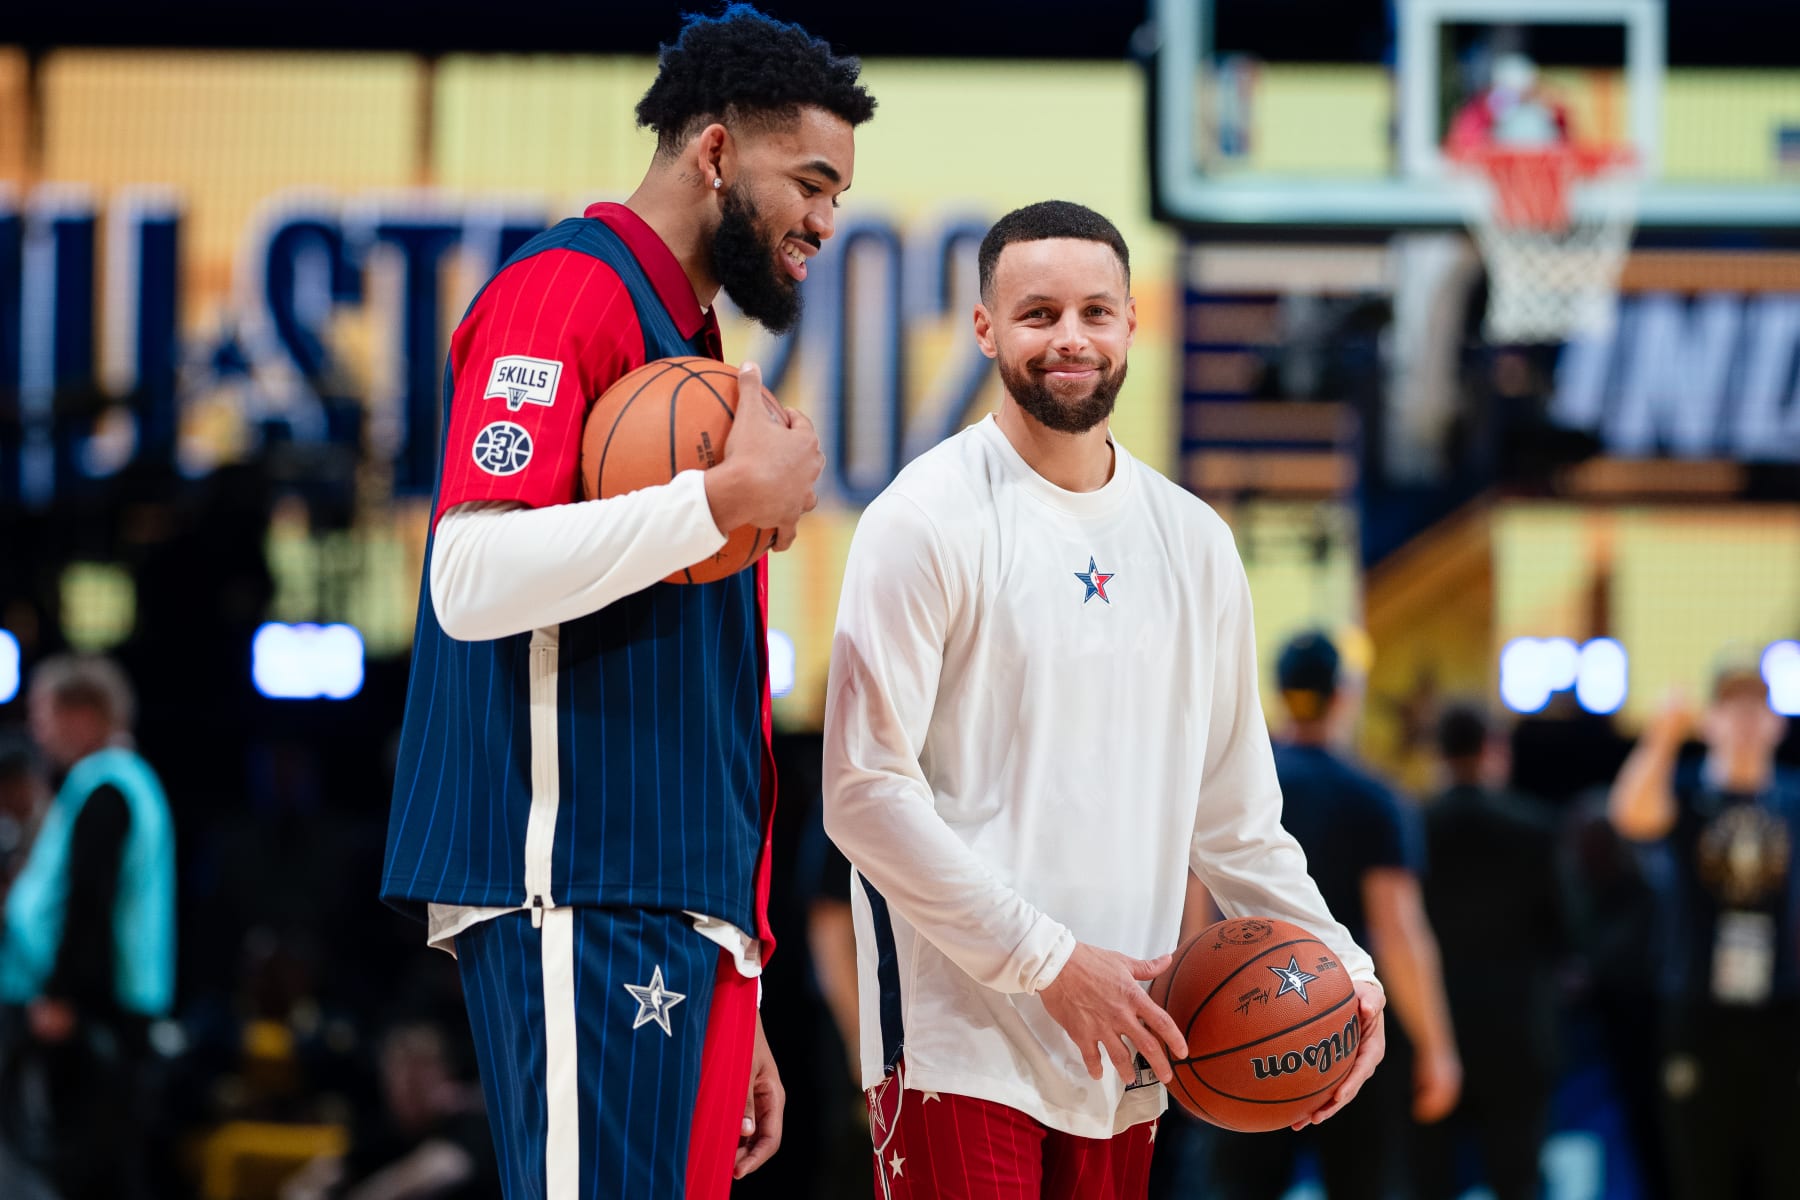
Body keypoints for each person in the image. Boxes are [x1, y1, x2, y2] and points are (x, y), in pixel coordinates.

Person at [378, 7, 873, 1198]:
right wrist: (718, 499)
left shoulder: (688, 341)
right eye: (808, 182)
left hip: (670, 911)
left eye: (837, 197)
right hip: (580, 885)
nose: (822, 222)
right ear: (712, 154)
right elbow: (469, 574)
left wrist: (732, 964)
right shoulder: (567, 290)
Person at [822, 201, 1388, 1200]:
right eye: (1038, 313)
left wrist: (1348, 974)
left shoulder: (1195, 541)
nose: (1070, 336)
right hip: (961, 1046)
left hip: (1128, 1050)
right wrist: (1050, 960)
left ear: (1133, 323)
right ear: (987, 329)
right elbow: (864, 794)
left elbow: (1239, 825)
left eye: (1095, 310)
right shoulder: (923, 519)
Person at [1210, 630, 1460, 1200]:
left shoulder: (1240, 788)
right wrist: (1437, 1047)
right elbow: (1398, 934)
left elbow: (1200, 909)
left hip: (1235, 1021)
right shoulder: (1373, 797)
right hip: (1342, 1029)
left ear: (1278, 694)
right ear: (1343, 696)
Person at [1608, 650, 1799, 1200]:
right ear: (1710, 720)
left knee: (1784, 1169)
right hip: (1698, 1009)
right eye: (1730, 707)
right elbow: (1629, 815)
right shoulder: (1688, 792)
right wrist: (1664, 735)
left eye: (1755, 707)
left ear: (1776, 721)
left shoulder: (1791, 797)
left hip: (1782, 1011)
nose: (1743, 720)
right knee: (1699, 1168)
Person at [0, 654, 175, 1200]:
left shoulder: (108, 788)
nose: (38, 731)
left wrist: (62, 997)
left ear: (83, 714)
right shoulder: (113, 783)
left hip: (92, 1012)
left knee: (92, 1173)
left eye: (44, 714)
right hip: (101, 1006)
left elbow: (89, 902)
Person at [1411, 702, 1566, 1200]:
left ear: (1438, 754)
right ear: (1495, 752)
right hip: (1517, 1032)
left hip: (1427, 1031)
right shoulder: (1537, 827)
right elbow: (1564, 933)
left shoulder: (1412, 824)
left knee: (1426, 1182)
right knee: (1517, 1180)